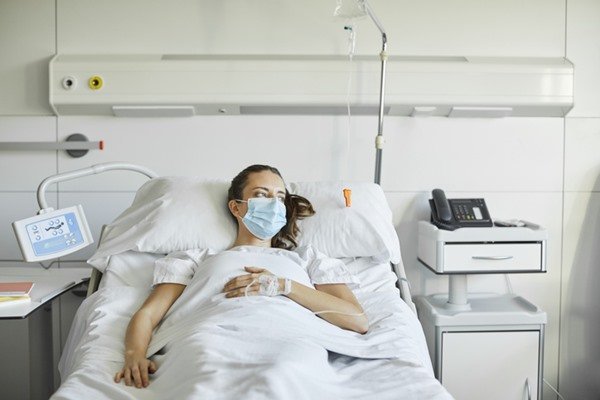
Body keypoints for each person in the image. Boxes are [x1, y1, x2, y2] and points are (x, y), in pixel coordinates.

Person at [114, 164, 369, 388]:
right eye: (261, 195)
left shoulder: (306, 258)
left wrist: (284, 285)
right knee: (205, 371)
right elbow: (148, 314)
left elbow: (357, 320)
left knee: (286, 370)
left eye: (279, 197)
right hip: (210, 335)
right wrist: (134, 353)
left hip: (289, 336)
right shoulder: (197, 258)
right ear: (236, 207)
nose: (273, 203)